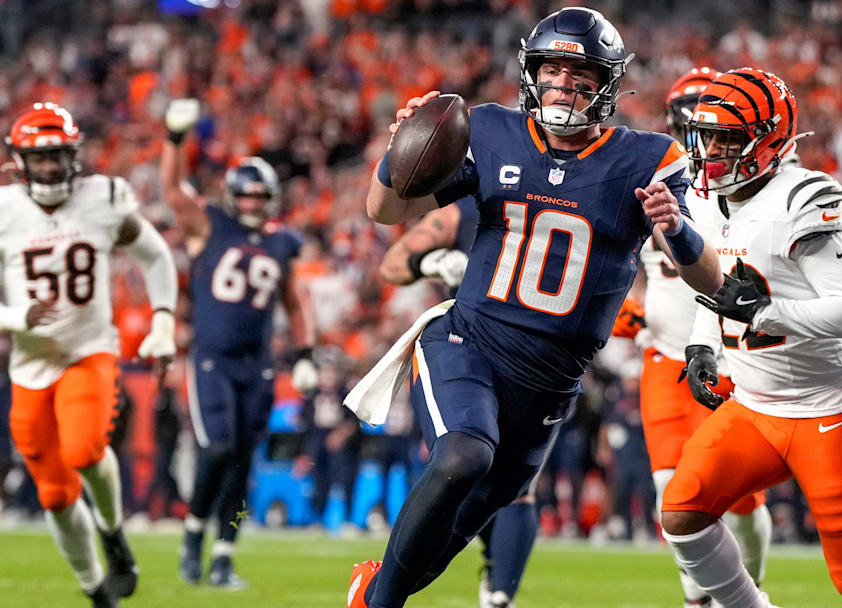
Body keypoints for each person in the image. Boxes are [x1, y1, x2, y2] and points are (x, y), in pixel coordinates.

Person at [348, 7, 722, 608]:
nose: (564, 86)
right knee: (463, 454)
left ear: (607, 85)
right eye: (552, 71)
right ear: (531, 73)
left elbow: (708, 277)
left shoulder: (649, 158)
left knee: (452, 534)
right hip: (470, 342)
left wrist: (677, 229)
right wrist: (398, 156)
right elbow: (384, 211)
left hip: (551, 383)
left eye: (581, 76)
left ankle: (373, 594)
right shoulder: (491, 129)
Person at [663, 68, 842, 607]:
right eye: (706, 137)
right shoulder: (707, 200)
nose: (711, 151)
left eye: (727, 139)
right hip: (753, 407)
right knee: (682, 513)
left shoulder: (800, 197)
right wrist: (703, 342)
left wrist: (766, 313)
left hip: (825, 410)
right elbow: (718, 288)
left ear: (768, 140)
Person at [0, 102, 178, 607]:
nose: (50, 167)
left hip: (88, 351)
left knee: (83, 450)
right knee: (54, 496)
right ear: (20, 161)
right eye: (40, 158)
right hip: (30, 367)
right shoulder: (5, 211)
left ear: (73, 156)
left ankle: (113, 531)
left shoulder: (102, 198)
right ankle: (94, 586)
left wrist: (164, 320)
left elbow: (154, 255)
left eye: (57, 155)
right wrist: (16, 318)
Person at [619, 67, 772, 608]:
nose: (706, 141)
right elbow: (613, 259)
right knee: (673, 493)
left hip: (732, 362)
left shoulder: (755, 191)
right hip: (665, 359)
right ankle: (698, 600)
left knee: (745, 506)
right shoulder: (653, 180)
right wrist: (625, 312)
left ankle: (750, 589)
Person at [160, 98, 318, 589]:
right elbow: (172, 189)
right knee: (216, 450)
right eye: (245, 197)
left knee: (244, 461)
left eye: (259, 197)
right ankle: (193, 534)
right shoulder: (210, 225)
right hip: (212, 359)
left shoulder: (281, 242)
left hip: (259, 366)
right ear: (232, 197)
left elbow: (295, 302)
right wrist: (175, 139)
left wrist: (306, 353)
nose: (251, 204)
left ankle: (225, 554)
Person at [378, 197, 541, 608]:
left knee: (513, 485)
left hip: (536, 360)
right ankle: (381, 593)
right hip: (467, 353)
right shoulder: (468, 208)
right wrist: (429, 262)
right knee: (461, 466)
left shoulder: (565, 199)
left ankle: (499, 592)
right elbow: (392, 264)